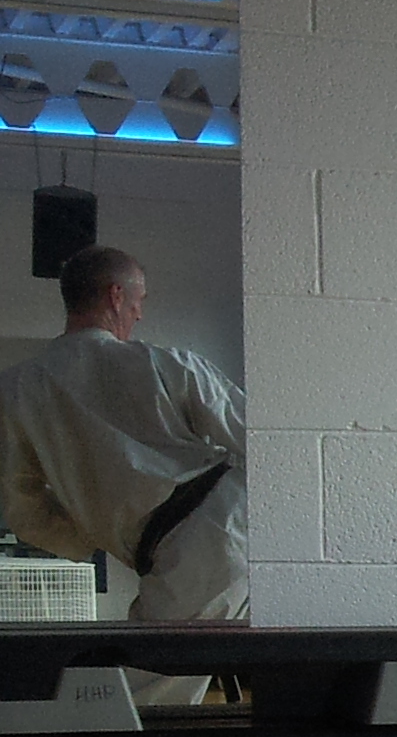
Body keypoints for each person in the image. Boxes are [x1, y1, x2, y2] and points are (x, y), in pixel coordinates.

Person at [0, 245, 247, 638]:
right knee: (156, 662)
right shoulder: (169, 365)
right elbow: (260, 439)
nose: (139, 313)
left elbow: (25, 512)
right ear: (116, 296)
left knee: (154, 667)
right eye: (139, 300)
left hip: (204, 539)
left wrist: (92, 534)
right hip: (225, 524)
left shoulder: (16, 391)